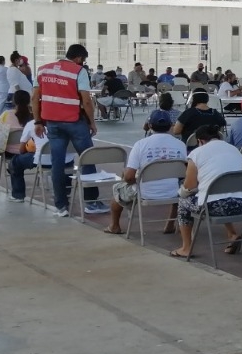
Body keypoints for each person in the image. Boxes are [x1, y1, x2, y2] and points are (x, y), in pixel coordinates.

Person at [32, 43, 101, 217]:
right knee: (87, 159)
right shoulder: (78, 71)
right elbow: (86, 101)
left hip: (52, 123)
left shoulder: (42, 70)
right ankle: (91, 202)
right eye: (83, 60)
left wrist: (38, 121)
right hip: (74, 122)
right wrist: (92, 122)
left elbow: (34, 97)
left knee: (57, 164)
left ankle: (61, 206)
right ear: (79, 58)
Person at [169, 125, 242, 258]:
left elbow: (189, 186)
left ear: (200, 141)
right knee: (222, 194)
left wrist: (182, 192)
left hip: (213, 207)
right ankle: (232, 234)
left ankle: (186, 248)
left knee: (184, 202)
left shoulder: (196, 153)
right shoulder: (235, 150)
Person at [106, 110, 188, 234]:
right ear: (171, 125)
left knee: (118, 190)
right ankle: (170, 224)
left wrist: (137, 180)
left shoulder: (140, 145)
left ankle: (114, 226)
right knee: (178, 189)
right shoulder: (181, 145)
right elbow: (185, 172)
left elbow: (128, 177)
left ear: (150, 126)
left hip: (145, 192)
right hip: (173, 191)